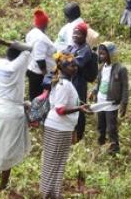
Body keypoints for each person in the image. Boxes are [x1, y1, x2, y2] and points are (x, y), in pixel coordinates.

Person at [39, 52, 91, 199]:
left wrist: (80, 106)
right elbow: (60, 110)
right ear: (61, 67)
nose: (75, 67)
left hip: (60, 127)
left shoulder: (61, 81)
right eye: (71, 65)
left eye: (75, 64)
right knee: (55, 161)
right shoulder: (64, 84)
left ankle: (53, 193)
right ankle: (48, 194)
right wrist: (80, 109)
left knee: (55, 160)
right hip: (58, 127)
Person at [0, 36, 33, 190]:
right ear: (19, 57)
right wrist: (5, 41)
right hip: (13, 112)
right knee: (9, 147)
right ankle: (3, 184)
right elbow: (29, 48)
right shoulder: (17, 67)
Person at [89, 42, 129, 154]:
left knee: (111, 127)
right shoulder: (102, 67)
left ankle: (114, 148)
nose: (101, 56)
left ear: (111, 54)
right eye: (100, 54)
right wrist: (94, 92)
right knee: (100, 125)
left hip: (111, 103)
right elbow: (100, 82)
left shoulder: (121, 69)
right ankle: (101, 143)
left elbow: (125, 87)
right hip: (100, 101)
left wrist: (124, 104)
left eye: (103, 54)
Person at [63, 21, 97, 142]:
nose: (75, 36)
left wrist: (65, 58)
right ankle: (70, 133)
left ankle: (79, 135)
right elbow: (62, 57)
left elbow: (77, 63)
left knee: (79, 106)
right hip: (69, 81)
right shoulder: (72, 47)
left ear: (84, 36)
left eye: (78, 34)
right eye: (74, 33)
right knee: (69, 105)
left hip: (79, 83)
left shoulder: (85, 49)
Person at [25, 9, 56, 100]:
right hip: (39, 74)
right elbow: (40, 60)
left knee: (35, 96)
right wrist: (46, 76)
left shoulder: (32, 33)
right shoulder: (40, 39)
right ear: (45, 24)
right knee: (38, 99)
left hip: (32, 69)